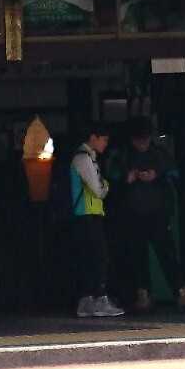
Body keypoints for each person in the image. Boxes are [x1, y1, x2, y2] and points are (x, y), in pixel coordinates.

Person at [114, 119, 185, 313]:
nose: (142, 144)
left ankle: (182, 292)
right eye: (139, 140)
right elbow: (111, 176)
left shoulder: (160, 153)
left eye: (145, 140)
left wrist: (156, 174)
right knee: (138, 255)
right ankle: (143, 294)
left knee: (167, 253)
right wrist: (127, 178)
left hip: (158, 212)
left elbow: (176, 174)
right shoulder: (123, 155)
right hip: (133, 213)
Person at [70, 125, 124, 320]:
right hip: (88, 214)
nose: (105, 144)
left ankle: (87, 302)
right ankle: (99, 299)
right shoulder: (84, 159)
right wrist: (106, 185)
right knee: (99, 257)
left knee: (89, 258)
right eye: (104, 139)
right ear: (93, 137)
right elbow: (99, 190)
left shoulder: (86, 157)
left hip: (86, 214)